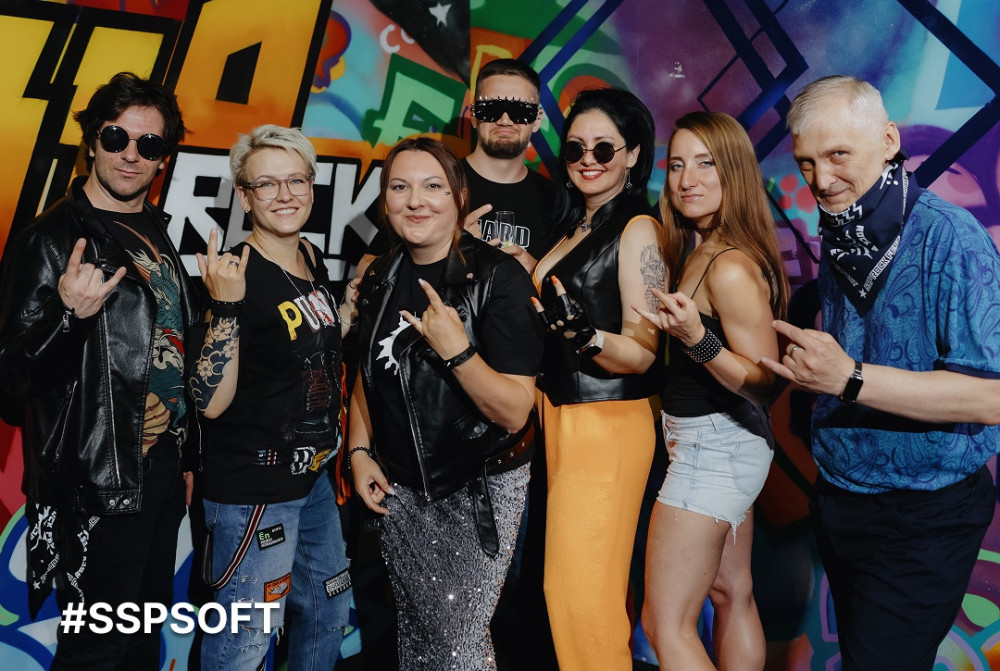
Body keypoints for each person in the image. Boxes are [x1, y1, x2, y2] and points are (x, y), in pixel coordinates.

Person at [760, 75, 1000, 670]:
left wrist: (848, 378)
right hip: (842, 498)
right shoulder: (844, 227)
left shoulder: (951, 238)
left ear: (889, 140)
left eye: (839, 154)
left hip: (926, 511)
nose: (821, 179)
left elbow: (991, 399)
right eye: (807, 162)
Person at [0, 72, 195, 670]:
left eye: (148, 144)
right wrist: (68, 316)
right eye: (116, 137)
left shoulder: (155, 229)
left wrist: (184, 457)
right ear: (91, 141)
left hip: (158, 475)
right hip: (98, 484)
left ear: (163, 158)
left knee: (142, 640)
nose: (130, 154)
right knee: (95, 652)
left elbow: (168, 354)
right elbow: (11, 383)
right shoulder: (50, 240)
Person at [348, 136, 542, 670]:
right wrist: (359, 450)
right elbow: (370, 369)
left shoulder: (498, 279)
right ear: (385, 201)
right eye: (400, 187)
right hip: (401, 491)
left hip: (475, 489)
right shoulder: (381, 275)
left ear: (459, 197)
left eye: (432, 186)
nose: (415, 201)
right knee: (420, 637)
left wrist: (458, 352)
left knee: (458, 646)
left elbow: (514, 411)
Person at [189, 125, 354, 670]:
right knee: (244, 643)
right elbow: (209, 401)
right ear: (244, 196)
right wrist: (227, 306)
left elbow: (298, 345)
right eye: (266, 184)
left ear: (311, 186)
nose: (284, 195)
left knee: (328, 614)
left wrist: (345, 313)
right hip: (254, 494)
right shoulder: (233, 273)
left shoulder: (309, 256)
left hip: (312, 482)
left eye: (296, 181)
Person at [634, 111, 789, 671]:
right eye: (677, 164)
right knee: (731, 592)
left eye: (705, 164)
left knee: (665, 624)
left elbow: (766, 382)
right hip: (720, 444)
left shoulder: (728, 267)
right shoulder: (704, 246)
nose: (686, 180)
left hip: (715, 450)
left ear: (734, 173)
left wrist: (696, 339)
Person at [531, 87, 664, 671]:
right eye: (576, 148)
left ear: (633, 154)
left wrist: (588, 338)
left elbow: (644, 352)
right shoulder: (577, 225)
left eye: (604, 148)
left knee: (578, 595)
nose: (588, 159)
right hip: (561, 417)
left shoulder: (637, 229)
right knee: (591, 591)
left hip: (607, 424)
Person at [362, 58, 554, 274]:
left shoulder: (555, 200)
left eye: (520, 111)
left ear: (537, 119)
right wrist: (444, 251)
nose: (505, 120)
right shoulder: (432, 180)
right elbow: (365, 266)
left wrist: (536, 272)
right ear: (473, 115)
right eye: (492, 108)